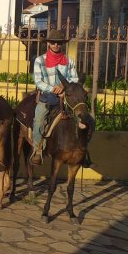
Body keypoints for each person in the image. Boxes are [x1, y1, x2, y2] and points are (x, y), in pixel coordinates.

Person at [30, 29, 82, 165]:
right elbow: (38, 81)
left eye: (58, 43)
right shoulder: (40, 61)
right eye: (53, 42)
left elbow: (74, 78)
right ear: (48, 44)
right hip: (47, 96)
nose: (56, 45)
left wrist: (63, 87)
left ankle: (83, 152)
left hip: (66, 96)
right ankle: (38, 149)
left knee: (83, 119)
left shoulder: (69, 61)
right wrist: (53, 88)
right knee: (39, 119)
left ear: (62, 44)